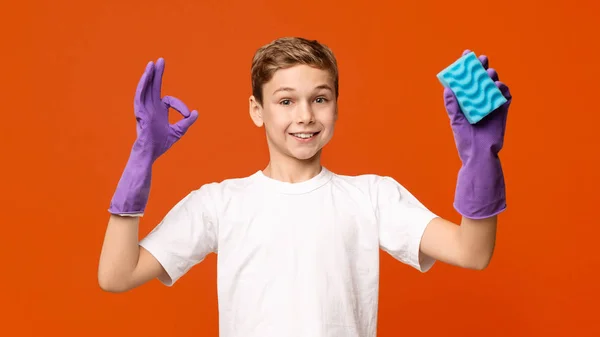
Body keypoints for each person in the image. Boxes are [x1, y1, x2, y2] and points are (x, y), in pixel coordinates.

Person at [98, 37, 512, 336]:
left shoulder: (372, 197)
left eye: (319, 98)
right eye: (285, 101)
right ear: (256, 111)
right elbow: (117, 276)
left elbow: (471, 253)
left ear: (336, 105)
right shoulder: (219, 204)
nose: (305, 115)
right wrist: (140, 162)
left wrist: (481, 161)